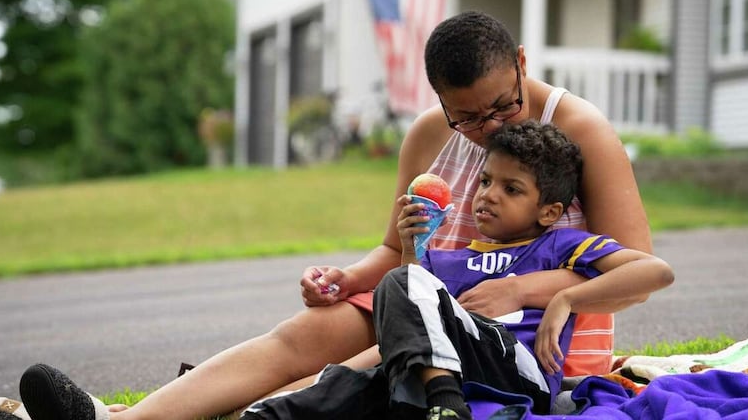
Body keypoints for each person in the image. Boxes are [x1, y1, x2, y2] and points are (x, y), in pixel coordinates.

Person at [11, 11, 653, 420]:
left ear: (519, 64)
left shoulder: (576, 128)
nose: (486, 130)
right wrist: (347, 279)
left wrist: (521, 286)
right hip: (421, 290)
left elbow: (637, 270)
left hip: (520, 327)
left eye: (501, 109)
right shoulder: (430, 135)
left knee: (355, 373)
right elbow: (389, 250)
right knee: (301, 336)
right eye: (468, 117)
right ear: (439, 101)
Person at [228, 120, 673, 420]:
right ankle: (268, 413)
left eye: (511, 188)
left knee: (401, 290)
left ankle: (445, 404)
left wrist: (566, 298)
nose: (488, 195)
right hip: (451, 369)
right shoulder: (446, 259)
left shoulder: (558, 244)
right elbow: (410, 315)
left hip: (519, 373)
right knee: (369, 366)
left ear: (548, 210)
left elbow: (654, 271)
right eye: (484, 181)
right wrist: (408, 246)